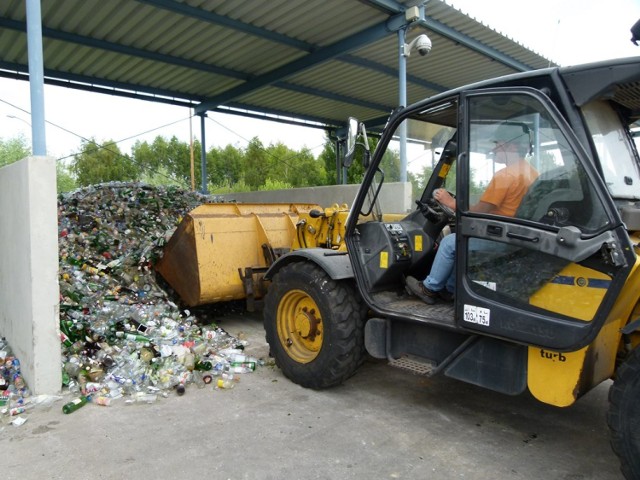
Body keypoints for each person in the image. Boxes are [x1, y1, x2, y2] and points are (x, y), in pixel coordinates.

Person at [406, 123, 539, 305]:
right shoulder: (531, 172)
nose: (494, 149)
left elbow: (479, 212)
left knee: (449, 243)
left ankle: (429, 288)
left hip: (501, 237)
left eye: (498, 144)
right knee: (461, 239)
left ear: (512, 146)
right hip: (515, 233)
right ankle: (451, 290)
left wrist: (450, 202)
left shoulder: (506, 176)